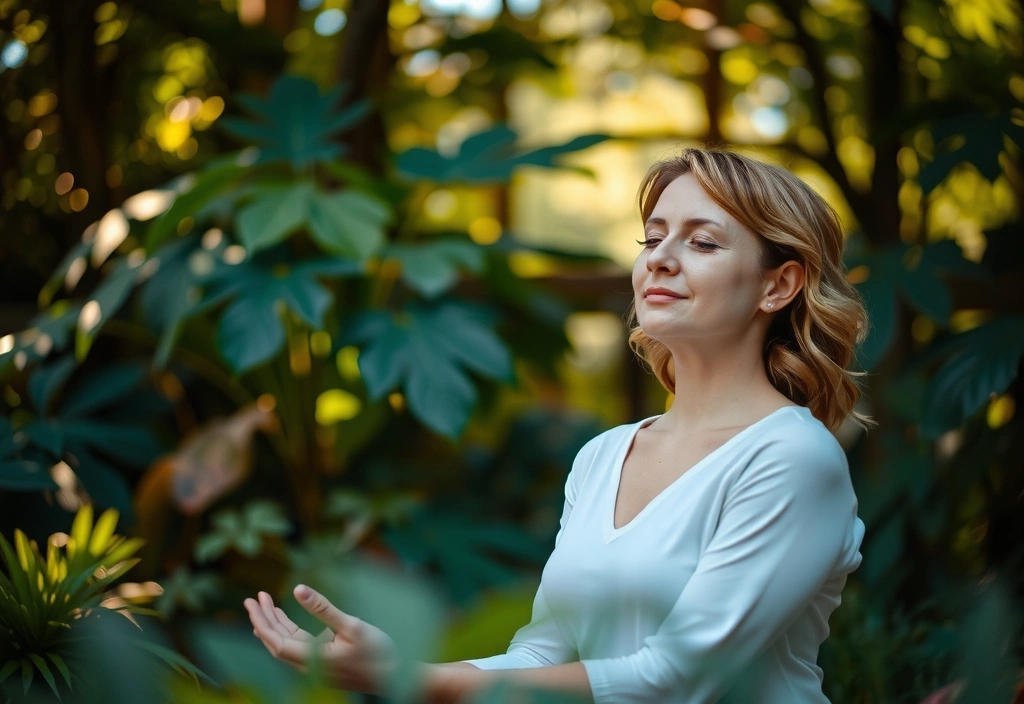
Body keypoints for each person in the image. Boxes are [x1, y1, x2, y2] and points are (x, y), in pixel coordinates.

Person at [244, 146, 871, 703]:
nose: (661, 260)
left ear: (778, 285)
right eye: (652, 240)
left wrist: (412, 679)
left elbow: (676, 680)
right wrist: (408, 670)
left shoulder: (791, 458)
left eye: (702, 242)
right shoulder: (603, 456)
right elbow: (543, 656)